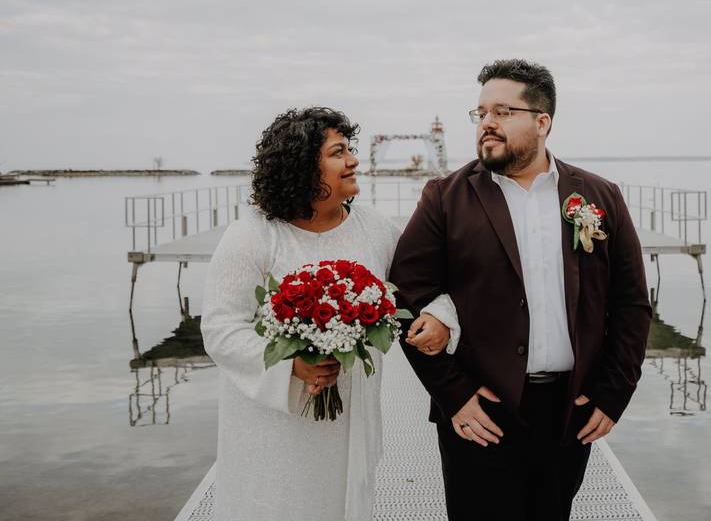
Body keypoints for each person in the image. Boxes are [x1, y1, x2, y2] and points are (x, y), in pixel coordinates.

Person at [390, 59, 654, 521]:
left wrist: (614, 393)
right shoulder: (444, 198)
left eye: (502, 111)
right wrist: (453, 394)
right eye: (480, 113)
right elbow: (404, 300)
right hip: (479, 410)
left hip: (570, 411)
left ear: (542, 121)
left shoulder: (600, 196)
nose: (487, 123)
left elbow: (630, 303)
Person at [201, 107, 454, 521]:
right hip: (272, 420)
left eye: (350, 149)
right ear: (303, 167)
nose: (353, 160)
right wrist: (292, 365)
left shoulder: (375, 229)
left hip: (350, 414)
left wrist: (441, 315)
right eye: (338, 152)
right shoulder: (253, 235)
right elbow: (221, 328)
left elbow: (422, 287)